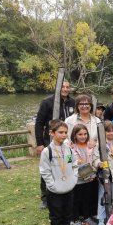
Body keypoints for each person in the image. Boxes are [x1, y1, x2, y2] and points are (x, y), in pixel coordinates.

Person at [35, 80, 75, 209]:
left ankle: (65, 188)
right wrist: (40, 143)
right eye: (63, 86)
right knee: (48, 168)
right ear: (58, 88)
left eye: (68, 87)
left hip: (66, 141)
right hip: (50, 141)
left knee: (65, 166)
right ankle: (45, 198)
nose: (65, 89)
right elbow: (39, 123)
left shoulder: (73, 103)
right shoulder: (47, 102)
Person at [39, 119, 78, 225]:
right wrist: (52, 185)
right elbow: (45, 171)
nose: (64, 135)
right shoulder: (47, 151)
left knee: (68, 212)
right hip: (55, 190)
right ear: (51, 133)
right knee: (56, 214)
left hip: (68, 188)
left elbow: (74, 165)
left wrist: (74, 179)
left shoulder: (68, 150)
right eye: (60, 132)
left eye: (66, 132)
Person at [92, 121, 113, 225]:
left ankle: (110, 218)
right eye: (108, 131)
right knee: (103, 197)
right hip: (105, 175)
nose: (111, 133)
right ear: (103, 132)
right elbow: (94, 159)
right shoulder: (99, 144)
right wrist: (98, 163)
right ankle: (101, 220)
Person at [70, 124, 98, 225]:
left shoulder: (90, 146)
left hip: (89, 177)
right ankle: (75, 220)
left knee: (87, 199)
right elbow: (70, 163)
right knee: (76, 200)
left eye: (85, 134)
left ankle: (87, 217)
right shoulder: (71, 148)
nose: (83, 136)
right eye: (80, 134)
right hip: (78, 179)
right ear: (75, 135)